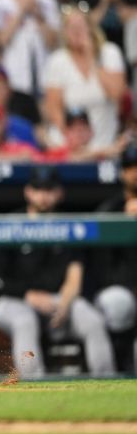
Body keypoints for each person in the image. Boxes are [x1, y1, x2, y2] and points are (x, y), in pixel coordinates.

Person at [0, 166, 115, 378]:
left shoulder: (71, 226)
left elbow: (75, 274)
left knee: (92, 319)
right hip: (14, 299)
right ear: (28, 192)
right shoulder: (9, 225)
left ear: (59, 193)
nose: (43, 195)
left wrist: (65, 303)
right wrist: (29, 296)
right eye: (38, 189)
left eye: (49, 189)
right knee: (24, 320)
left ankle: (106, 381)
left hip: (57, 299)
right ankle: (32, 387)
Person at [42, 5, 127, 150]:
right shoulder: (58, 60)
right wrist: (73, 139)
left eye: (80, 26)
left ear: (90, 28)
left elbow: (116, 93)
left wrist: (91, 58)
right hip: (70, 144)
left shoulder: (109, 53)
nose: (76, 32)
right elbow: (53, 107)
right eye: (71, 27)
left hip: (105, 142)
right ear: (64, 32)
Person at [93, 142, 137, 372]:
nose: (135, 172)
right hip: (120, 288)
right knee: (118, 302)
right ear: (122, 172)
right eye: (131, 166)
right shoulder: (109, 210)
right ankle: (120, 366)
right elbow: (101, 267)